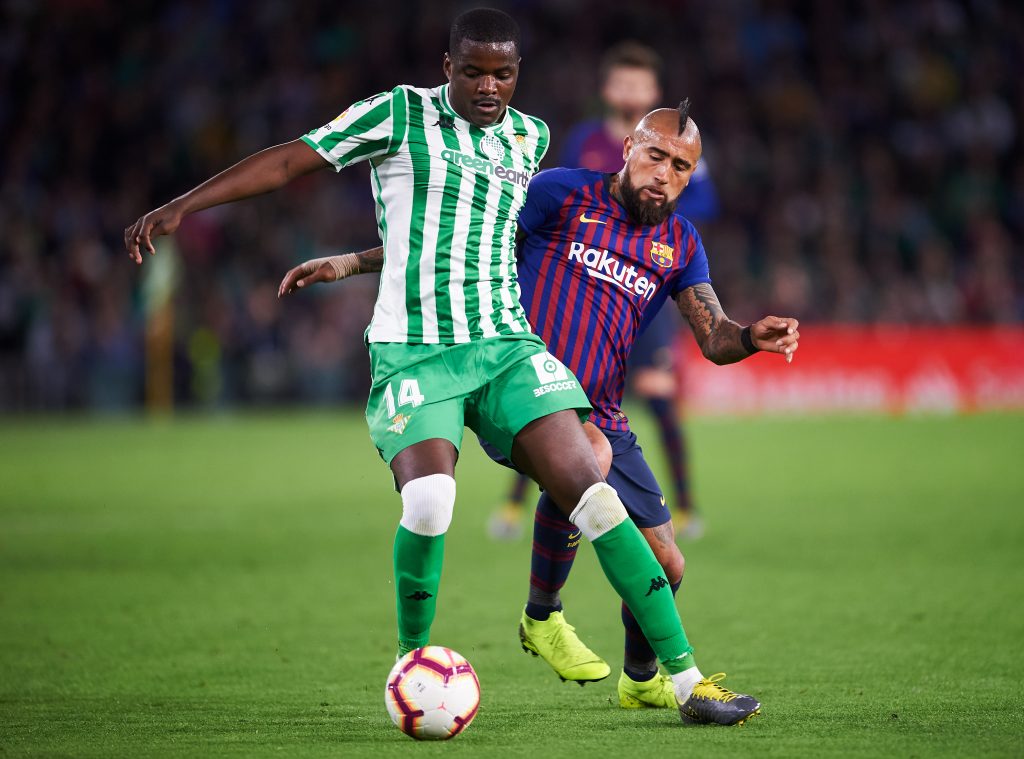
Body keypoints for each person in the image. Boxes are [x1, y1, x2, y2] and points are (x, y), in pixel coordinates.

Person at [126, 8, 767, 727]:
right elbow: (288, 161)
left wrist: (749, 334)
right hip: (416, 349)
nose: (490, 86)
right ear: (447, 67)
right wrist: (186, 206)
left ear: (517, 74)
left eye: (503, 73)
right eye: (474, 71)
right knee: (430, 501)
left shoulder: (529, 138)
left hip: (506, 346)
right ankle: (412, 660)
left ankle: (683, 682)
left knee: (593, 484)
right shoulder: (398, 114)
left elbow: (484, 232)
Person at [279, 100, 800, 723]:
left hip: (602, 410)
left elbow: (714, 336)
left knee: (668, 562)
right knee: (588, 458)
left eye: (680, 166)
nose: (664, 173)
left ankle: (640, 681)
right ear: (628, 149)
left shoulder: (681, 243)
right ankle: (543, 614)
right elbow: (458, 242)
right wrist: (353, 262)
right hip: (521, 389)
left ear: (691, 176)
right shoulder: (559, 194)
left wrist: (751, 338)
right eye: (655, 155)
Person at [490, 41, 717, 542]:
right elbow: (566, 206)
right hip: (579, 292)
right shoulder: (585, 140)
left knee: (658, 397)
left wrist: (652, 215)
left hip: (642, 293)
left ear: (654, 92)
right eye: (623, 83)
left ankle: (683, 505)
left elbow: (705, 204)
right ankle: (513, 504)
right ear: (608, 90)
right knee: (553, 403)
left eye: (641, 84)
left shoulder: (681, 149)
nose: (631, 92)